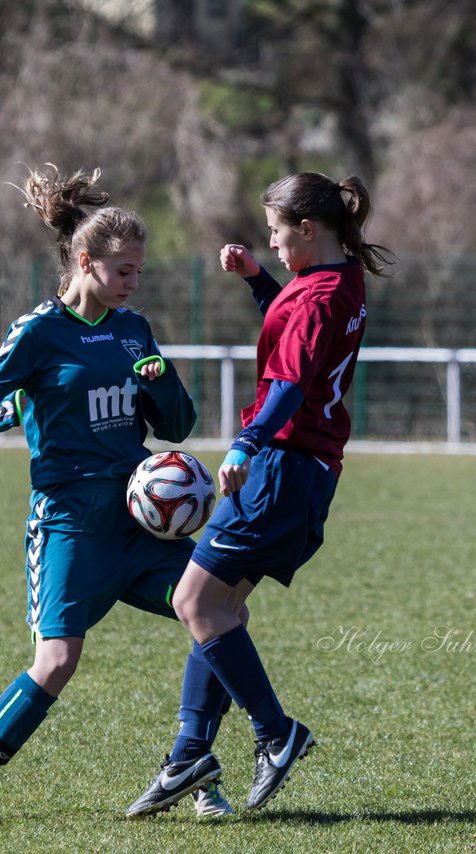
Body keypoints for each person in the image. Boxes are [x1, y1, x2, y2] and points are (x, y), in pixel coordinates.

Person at [0, 165, 235, 825]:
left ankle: (194, 768)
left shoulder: (133, 331)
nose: (133, 283)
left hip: (138, 524)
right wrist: (8, 412)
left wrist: (160, 380)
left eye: (140, 273)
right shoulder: (40, 333)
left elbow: (177, 426)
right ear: (86, 263)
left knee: (216, 614)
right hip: (69, 525)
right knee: (57, 660)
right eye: (124, 271)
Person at [126, 172, 393, 817]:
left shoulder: (315, 297)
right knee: (219, 610)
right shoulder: (342, 277)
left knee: (194, 600)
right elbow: (299, 321)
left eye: (275, 233)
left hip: (279, 467)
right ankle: (190, 751)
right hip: (311, 471)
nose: (270, 243)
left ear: (308, 228)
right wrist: (255, 280)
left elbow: (289, 385)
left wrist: (244, 446)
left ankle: (276, 733)